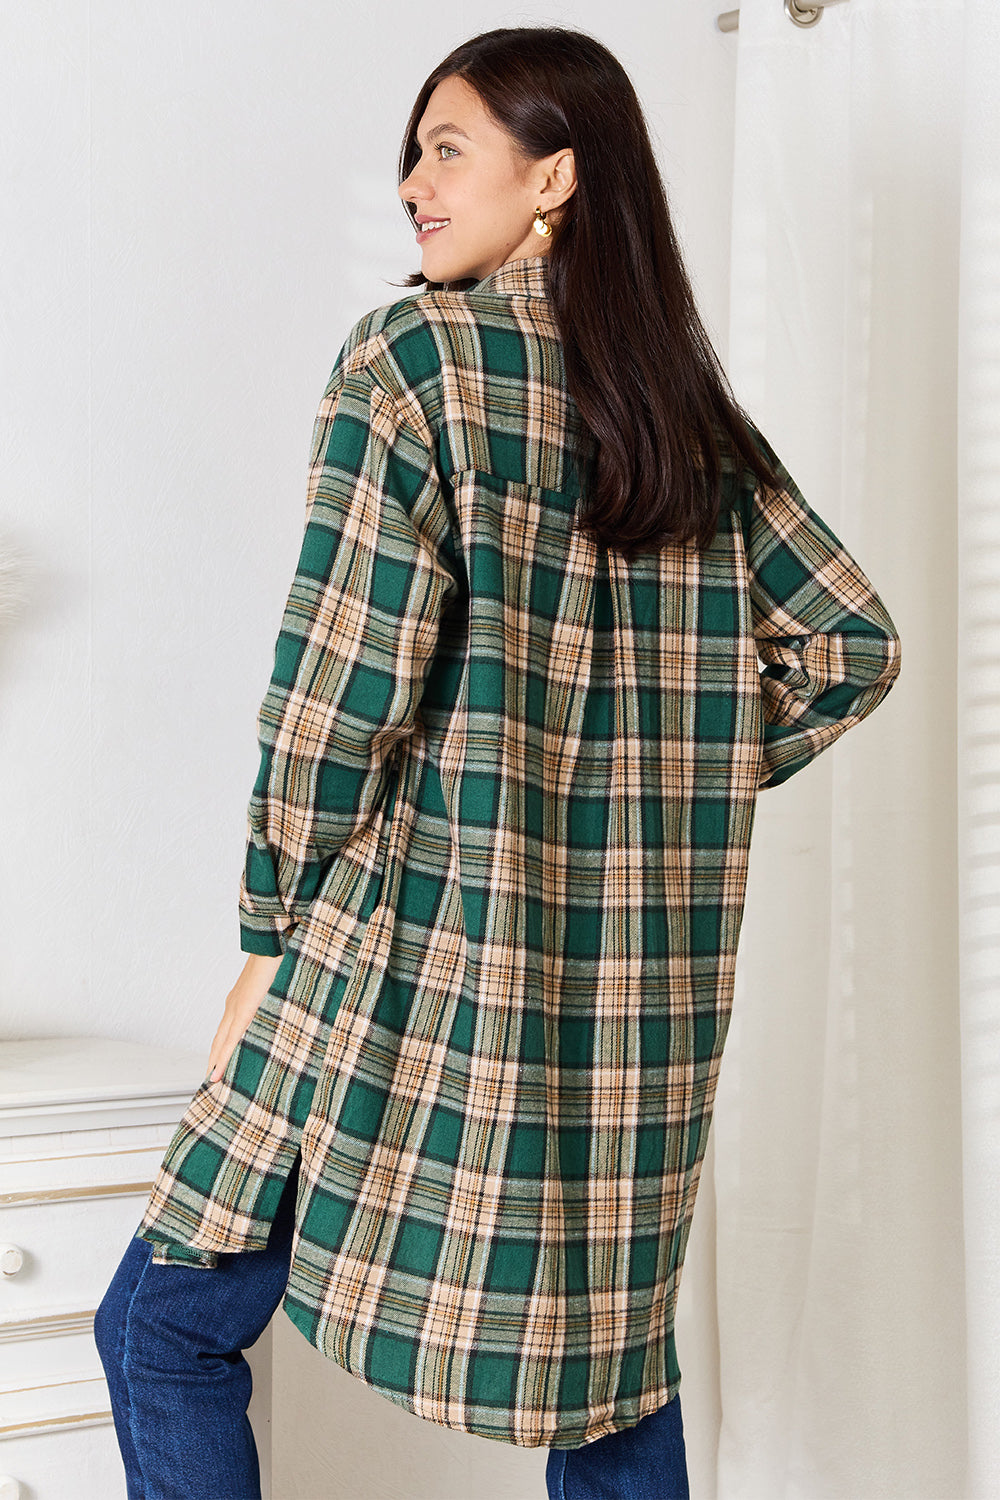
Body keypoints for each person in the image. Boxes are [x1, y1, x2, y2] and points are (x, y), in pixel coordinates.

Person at [94, 23, 901, 1500]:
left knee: (161, 1324)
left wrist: (268, 934)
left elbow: (333, 698)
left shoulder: (412, 361)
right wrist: (674, 785)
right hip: (625, 1004)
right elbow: (852, 644)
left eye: (448, 146)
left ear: (557, 179)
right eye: (412, 151)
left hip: (392, 943)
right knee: (607, 1385)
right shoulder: (686, 421)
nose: (412, 181)